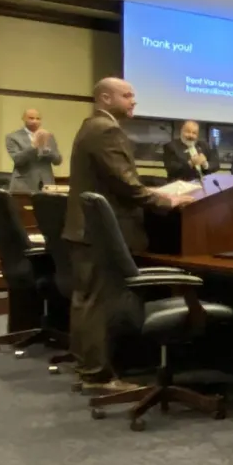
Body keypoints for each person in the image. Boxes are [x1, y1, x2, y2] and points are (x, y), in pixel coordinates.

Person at [62, 78, 190, 387]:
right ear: (105, 98)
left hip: (85, 230)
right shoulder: (106, 130)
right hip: (101, 231)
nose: (134, 100)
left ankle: (88, 368)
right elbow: (126, 184)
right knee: (97, 302)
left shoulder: (90, 126)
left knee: (87, 300)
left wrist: (153, 192)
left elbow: (117, 180)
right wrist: (166, 200)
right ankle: (98, 375)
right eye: (127, 95)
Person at [5, 108, 60, 193]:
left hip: (47, 184)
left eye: (38, 119)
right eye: (31, 118)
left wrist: (47, 149)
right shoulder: (13, 137)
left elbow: (57, 161)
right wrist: (34, 146)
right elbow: (18, 160)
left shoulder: (48, 136)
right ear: (24, 119)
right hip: (23, 185)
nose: (35, 121)